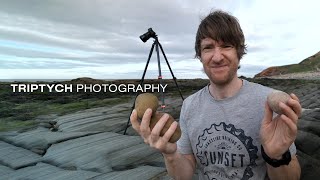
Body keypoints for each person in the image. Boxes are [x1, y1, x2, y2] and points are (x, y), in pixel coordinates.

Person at [130, 10, 301, 180]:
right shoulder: (189, 106)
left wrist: (276, 156)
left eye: (226, 46)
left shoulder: (268, 104)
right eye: (208, 47)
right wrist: (170, 154)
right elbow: (185, 174)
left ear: (238, 52)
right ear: (200, 55)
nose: (217, 57)